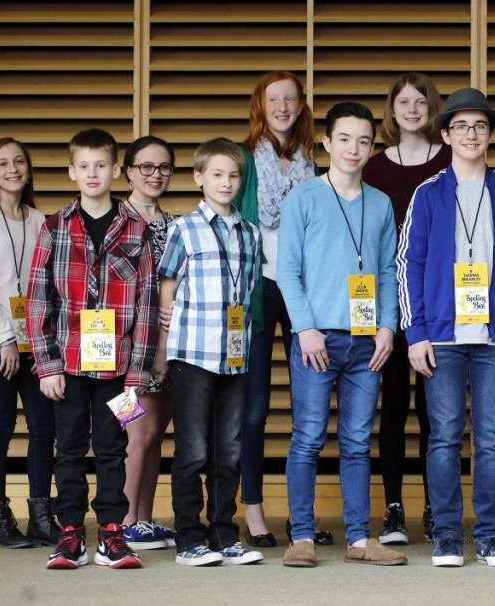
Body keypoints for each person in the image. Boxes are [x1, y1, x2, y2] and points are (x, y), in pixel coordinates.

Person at [397, 88, 495, 568]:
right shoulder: (428, 192)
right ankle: (446, 536)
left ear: (491, 134)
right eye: (461, 126)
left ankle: (491, 535)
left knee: (492, 436)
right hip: (441, 337)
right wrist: (414, 334)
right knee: (443, 436)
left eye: (480, 126)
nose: (471, 134)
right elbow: (407, 263)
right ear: (445, 135)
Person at [278, 102, 406, 568]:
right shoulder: (304, 198)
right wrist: (304, 328)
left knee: (356, 441)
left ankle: (358, 538)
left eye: (364, 141)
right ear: (326, 143)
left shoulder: (381, 203)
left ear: (373, 148)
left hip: (367, 342)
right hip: (316, 340)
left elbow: (389, 271)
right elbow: (288, 271)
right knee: (308, 438)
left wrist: (388, 327)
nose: (355, 148)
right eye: (345, 139)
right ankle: (304, 536)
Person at [28, 128, 158, 570]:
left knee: (113, 448)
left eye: (101, 165)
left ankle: (110, 533)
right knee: (67, 448)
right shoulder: (53, 227)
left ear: (116, 170)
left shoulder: (137, 229)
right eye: (83, 166)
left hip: (120, 370)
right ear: (70, 172)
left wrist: (138, 377)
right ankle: (69, 534)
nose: (92, 173)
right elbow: (39, 300)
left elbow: (146, 305)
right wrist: (46, 366)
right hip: (66, 364)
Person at [156, 138, 263, 567]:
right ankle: (189, 539)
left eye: (234, 175)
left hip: (234, 354)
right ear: (199, 177)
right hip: (193, 354)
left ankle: (224, 533)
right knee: (194, 449)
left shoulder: (250, 232)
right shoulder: (184, 228)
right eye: (217, 174)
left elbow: (249, 287)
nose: (226, 182)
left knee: (229, 449)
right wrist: (163, 349)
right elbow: (168, 286)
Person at [363, 72, 451, 544]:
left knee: (438, 412)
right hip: (390, 305)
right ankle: (394, 507)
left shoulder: (454, 158)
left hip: (440, 302)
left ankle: (437, 507)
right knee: (393, 407)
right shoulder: (373, 168)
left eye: (421, 101)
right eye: (404, 102)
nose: (413, 109)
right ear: (391, 110)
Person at [233, 70, 318, 547]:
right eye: (274, 99)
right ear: (260, 106)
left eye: (290, 98)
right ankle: (255, 510)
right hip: (257, 289)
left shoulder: (317, 162)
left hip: (304, 290)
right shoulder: (243, 160)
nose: (282, 106)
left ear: (302, 105)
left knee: (309, 407)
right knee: (256, 407)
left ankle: (302, 516)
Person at [0, 138, 60, 549]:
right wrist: (5, 339)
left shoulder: (40, 220)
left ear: (28, 168)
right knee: (2, 424)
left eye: (19, 161)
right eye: (3, 163)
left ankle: (41, 515)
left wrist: (41, 343)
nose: (12, 169)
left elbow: (45, 287)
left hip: (32, 335)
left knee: (44, 427)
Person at [119, 136, 178, 551]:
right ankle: (123, 521)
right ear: (128, 171)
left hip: (164, 345)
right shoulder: (115, 219)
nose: (155, 175)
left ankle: (144, 518)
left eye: (163, 167)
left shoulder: (173, 224)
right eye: (146, 167)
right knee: (134, 435)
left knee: (156, 432)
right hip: (122, 348)